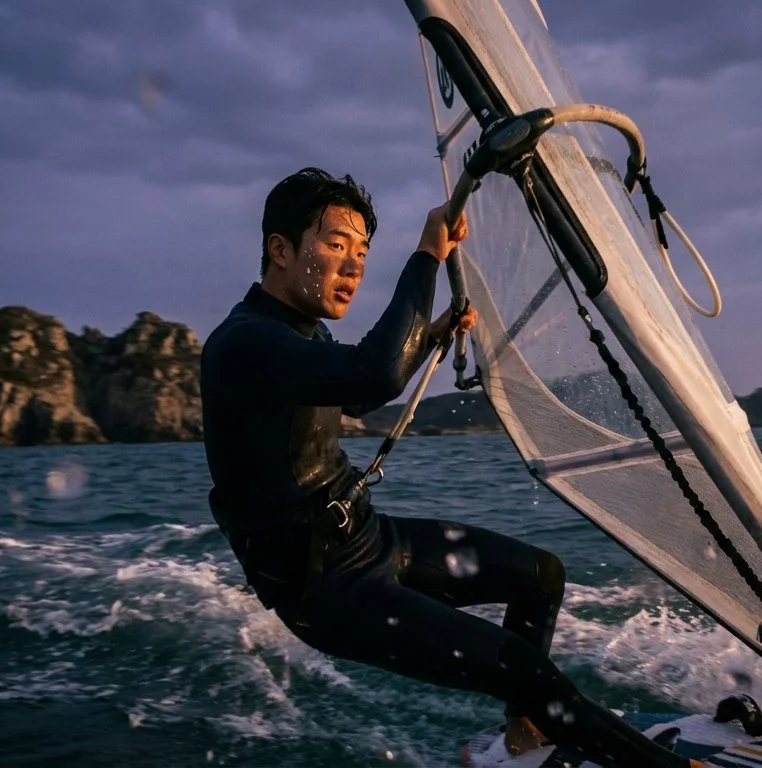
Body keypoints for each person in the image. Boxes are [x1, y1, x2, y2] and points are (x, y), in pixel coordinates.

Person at [200, 167, 686, 768]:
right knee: (522, 666)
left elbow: (352, 397)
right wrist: (428, 254)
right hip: (326, 586)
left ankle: (526, 734)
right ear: (280, 249)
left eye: (361, 252)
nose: (353, 267)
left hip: (368, 539)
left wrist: (430, 337)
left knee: (541, 575)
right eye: (334, 245)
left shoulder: (299, 335)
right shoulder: (244, 343)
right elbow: (372, 376)